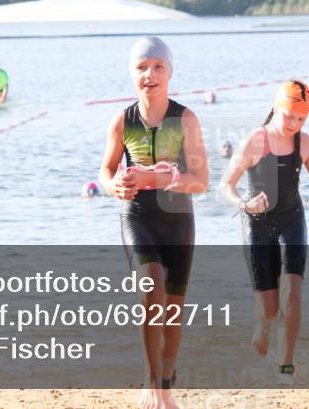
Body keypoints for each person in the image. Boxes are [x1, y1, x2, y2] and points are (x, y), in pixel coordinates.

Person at [98, 37, 208, 409]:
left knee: (173, 309)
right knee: (152, 289)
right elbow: (106, 169)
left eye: (158, 67)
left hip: (178, 220)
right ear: (132, 74)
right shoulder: (123, 121)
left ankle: (165, 382)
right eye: (142, 67)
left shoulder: (185, 118)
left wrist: (153, 178)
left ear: (170, 71)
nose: (150, 74)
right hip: (138, 217)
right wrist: (113, 184)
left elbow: (201, 180)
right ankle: (150, 382)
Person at [219, 80, 309, 382]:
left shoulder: (304, 143)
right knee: (270, 310)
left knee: (292, 295)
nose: (293, 124)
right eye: (289, 116)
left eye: (301, 119)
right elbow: (225, 185)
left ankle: (285, 367)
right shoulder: (256, 141)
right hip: (257, 227)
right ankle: (263, 325)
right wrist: (245, 205)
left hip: (291, 221)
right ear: (275, 108)